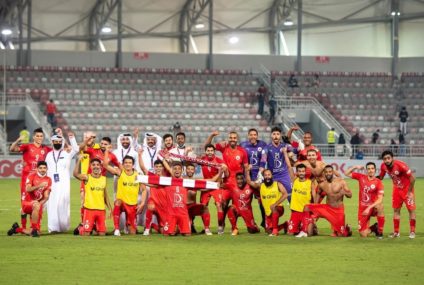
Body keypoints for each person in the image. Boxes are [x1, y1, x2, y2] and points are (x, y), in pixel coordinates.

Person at [204, 130, 249, 234]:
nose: (232, 139)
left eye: (234, 138)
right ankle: (222, 224)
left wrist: (247, 181)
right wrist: (212, 135)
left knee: (236, 207)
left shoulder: (242, 151)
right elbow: (208, 146)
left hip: (238, 184)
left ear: (237, 139)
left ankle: (234, 227)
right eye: (231, 138)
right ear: (228, 139)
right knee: (222, 203)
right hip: (226, 183)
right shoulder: (224, 147)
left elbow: (246, 167)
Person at [9, 127, 52, 231]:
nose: (39, 138)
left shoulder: (46, 149)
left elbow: (57, 150)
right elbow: (12, 149)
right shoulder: (27, 146)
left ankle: (33, 227)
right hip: (26, 181)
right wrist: (18, 140)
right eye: (37, 136)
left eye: (41, 136)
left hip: (39, 181)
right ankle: (23, 228)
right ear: (33, 137)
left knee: (36, 203)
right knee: (25, 205)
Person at [296, 165, 352, 238]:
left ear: (333, 172)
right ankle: (304, 231)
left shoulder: (341, 182)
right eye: (326, 172)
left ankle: (347, 229)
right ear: (324, 173)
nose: (328, 173)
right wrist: (315, 208)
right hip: (327, 208)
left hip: (338, 211)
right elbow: (318, 194)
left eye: (330, 172)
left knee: (341, 235)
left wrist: (344, 192)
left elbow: (350, 195)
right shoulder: (322, 185)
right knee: (307, 207)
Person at [103, 151, 146, 236]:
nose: (127, 164)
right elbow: (105, 165)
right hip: (122, 202)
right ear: (123, 164)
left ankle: (128, 225)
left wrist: (142, 203)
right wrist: (107, 152)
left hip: (132, 205)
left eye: (130, 163)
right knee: (117, 202)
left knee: (132, 232)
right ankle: (116, 229)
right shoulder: (120, 173)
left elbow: (144, 190)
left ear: (133, 164)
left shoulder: (138, 175)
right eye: (126, 163)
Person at [45, 131, 78, 233]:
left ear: (62, 142)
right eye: (55, 141)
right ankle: (53, 227)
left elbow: (76, 149)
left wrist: (71, 138)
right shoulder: (49, 155)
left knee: (63, 203)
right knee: (52, 204)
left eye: (59, 141)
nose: (57, 143)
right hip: (51, 183)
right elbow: (45, 169)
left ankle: (63, 227)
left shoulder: (66, 153)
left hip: (64, 183)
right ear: (52, 142)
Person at [7, 161, 52, 237]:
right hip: (27, 203)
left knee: (38, 232)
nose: (42, 170)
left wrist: (39, 205)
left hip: (36, 205)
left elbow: (46, 196)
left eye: (44, 168)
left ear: (47, 169)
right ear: (37, 169)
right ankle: (34, 229)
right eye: (40, 168)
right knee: (35, 231)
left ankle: (17, 229)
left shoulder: (48, 179)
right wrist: (39, 186)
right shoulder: (31, 176)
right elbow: (28, 189)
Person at [378, 150, 416, 239]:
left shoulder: (400, 165)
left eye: (388, 158)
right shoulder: (383, 166)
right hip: (396, 190)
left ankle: (412, 232)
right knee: (396, 210)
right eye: (384, 159)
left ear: (392, 158)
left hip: (407, 190)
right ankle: (396, 232)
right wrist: (370, 177)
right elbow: (380, 177)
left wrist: (410, 192)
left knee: (411, 210)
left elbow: (413, 179)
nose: (387, 160)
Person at [73, 157, 112, 236]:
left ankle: (93, 227)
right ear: (90, 166)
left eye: (98, 165)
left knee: (102, 234)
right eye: (93, 165)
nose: (96, 166)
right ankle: (80, 228)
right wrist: (79, 161)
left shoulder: (103, 179)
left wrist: (110, 208)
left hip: (101, 210)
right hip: (89, 209)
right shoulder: (87, 177)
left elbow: (105, 195)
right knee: (86, 234)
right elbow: (75, 174)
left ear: (100, 167)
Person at [344, 163, 385, 238]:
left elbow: (380, 199)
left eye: (372, 168)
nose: (370, 170)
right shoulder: (361, 177)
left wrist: (369, 208)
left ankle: (380, 231)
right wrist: (355, 166)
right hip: (362, 208)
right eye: (368, 169)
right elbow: (346, 173)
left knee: (380, 206)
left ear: (375, 170)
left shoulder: (378, 182)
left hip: (372, 208)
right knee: (363, 234)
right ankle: (374, 227)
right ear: (366, 170)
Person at [246, 169, 288, 236]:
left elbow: (285, 194)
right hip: (268, 212)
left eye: (269, 175)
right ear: (263, 177)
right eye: (265, 175)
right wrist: (247, 170)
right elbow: (249, 182)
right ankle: (285, 225)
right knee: (268, 230)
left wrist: (275, 204)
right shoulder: (261, 186)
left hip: (278, 208)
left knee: (274, 208)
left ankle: (275, 231)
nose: (267, 177)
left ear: (272, 176)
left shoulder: (277, 184)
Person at [240, 128, 267, 227]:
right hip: (247, 177)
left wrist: (262, 170)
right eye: (251, 134)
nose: (253, 136)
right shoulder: (243, 145)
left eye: (254, 134)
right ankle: (250, 223)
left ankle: (264, 221)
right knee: (246, 201)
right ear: (248, 136)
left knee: (262, 201)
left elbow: (264, 157)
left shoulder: (263, 144)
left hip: (259, 177)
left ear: (257, 136)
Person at [199, 144, 229, 234]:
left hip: (216, 186)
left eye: (211, 151)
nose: (210, 152)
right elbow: (189, 162)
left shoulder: (219, 161)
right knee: (203, 207)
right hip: (206, 187)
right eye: (208, 150)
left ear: (214, 151)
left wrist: (225, 169)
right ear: (205, 151)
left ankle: (220, 227)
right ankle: (206, 228)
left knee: (219, 205)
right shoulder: (201, 160)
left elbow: (227, 175)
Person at [259, 126, 294, 202]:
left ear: (280, 135)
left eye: (277, 134)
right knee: (270, 199)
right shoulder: (266, 148)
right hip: (273, 176)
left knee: (291, 197)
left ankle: (294, 213)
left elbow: (292, 150)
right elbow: (262, 162)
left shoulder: (285, 146)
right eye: (274, 134)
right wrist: (261, 173)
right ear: (271, 135)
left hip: (284, 176)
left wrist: (290, 153)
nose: (276, 136)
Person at [185, 163, 213, 235]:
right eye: (188, 169)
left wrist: (220, 174)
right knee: (186, 231)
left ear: (194, 171)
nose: (190, 171)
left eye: (192, 169)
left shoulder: (196, 181)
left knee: (205, 207)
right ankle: (190, 225)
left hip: (192, 207)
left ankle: (207, 229)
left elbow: (210, 182)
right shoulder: (181, 180)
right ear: (185, 170)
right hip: (183, 208)